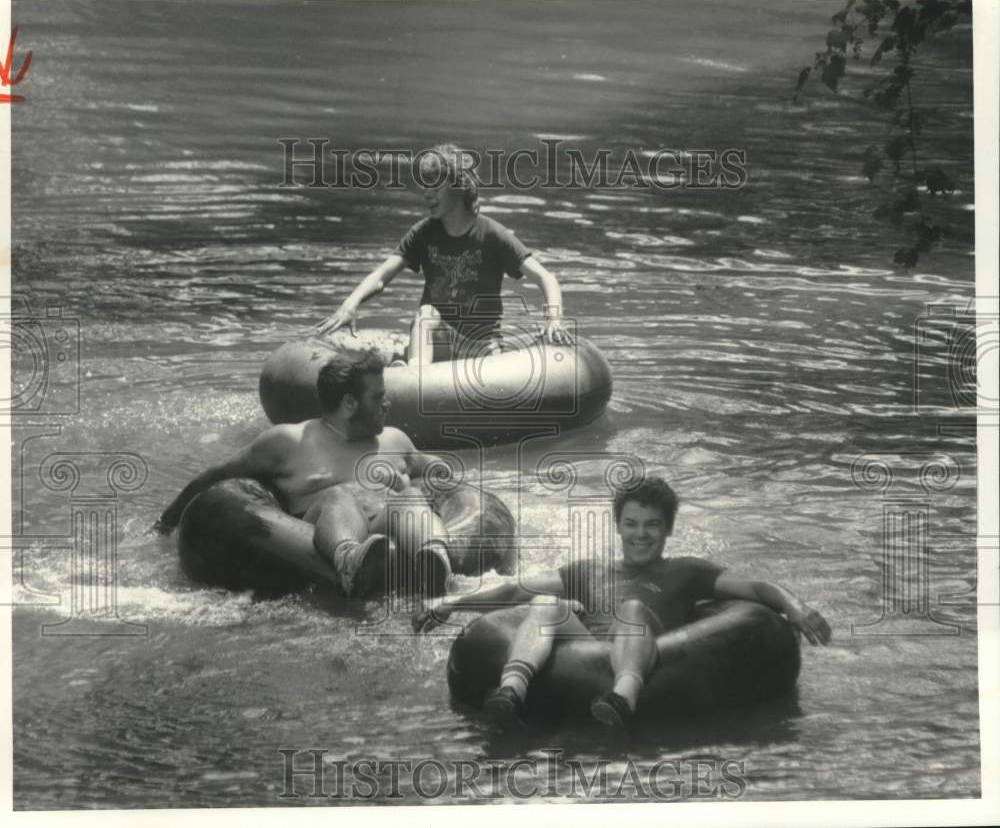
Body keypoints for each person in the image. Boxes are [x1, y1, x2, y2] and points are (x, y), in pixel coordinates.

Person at [413, 475, 831, 735]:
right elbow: (513, 591)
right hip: (589, 649)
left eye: (652, 525)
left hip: (649, 652)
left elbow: (756, 588)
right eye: (631, 524)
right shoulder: (590, 570)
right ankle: (510, 692)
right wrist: (452, 602)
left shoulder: (687, 571)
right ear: (618, 527)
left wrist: (797, 609)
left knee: (631, 609)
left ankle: (623, 698)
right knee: (544, 602)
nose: (641, 535)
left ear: (667, 529)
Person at [156, 349, 453, 598]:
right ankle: (350, 562)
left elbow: (440, 472)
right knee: (337, 495)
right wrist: (164, 526)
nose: (387, 403)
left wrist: (405, 485)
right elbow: (214, 476)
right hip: (322, 539)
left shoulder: (395, 440)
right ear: (349, 403)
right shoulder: (289, 442)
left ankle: (437, 567)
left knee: (410, 498)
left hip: (383, 532)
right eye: (378, 398)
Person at [315, 143, 572, 364]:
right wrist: (349, 306)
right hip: (437, 338)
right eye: (425, 186)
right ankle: (416, 376)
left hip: (481, 344)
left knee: (487, 362)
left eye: (435, 186)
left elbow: (545, 278)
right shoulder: (424, 232)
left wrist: (554, 321)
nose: (427, 193)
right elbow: (382, 275)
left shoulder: (492, 234)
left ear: (459, 187)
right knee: (427, 314)